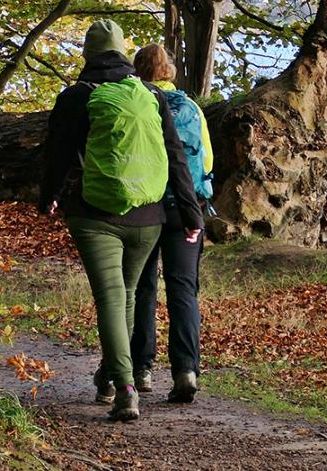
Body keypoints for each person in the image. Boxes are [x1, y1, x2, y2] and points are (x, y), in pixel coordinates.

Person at [38, 21, 203, 421]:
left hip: (95, 215)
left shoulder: (77, 96)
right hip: (149, 216)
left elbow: (57, 153)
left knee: (112, 296)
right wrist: (190, 211)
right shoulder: (148, 94)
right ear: (123, 54)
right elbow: (176, 156)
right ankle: (111, 373)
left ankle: (125, 388)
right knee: (126, 294)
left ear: (87, 54)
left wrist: (48, 197)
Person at [129, 43, 213, 403]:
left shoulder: (136, 103)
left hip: (147, 207)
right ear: (169, 72)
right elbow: (205, 158)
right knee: (183, 288)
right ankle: (186, 369)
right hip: (186, 207)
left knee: (143, 286)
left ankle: (141, 369)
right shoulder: (191, 108)